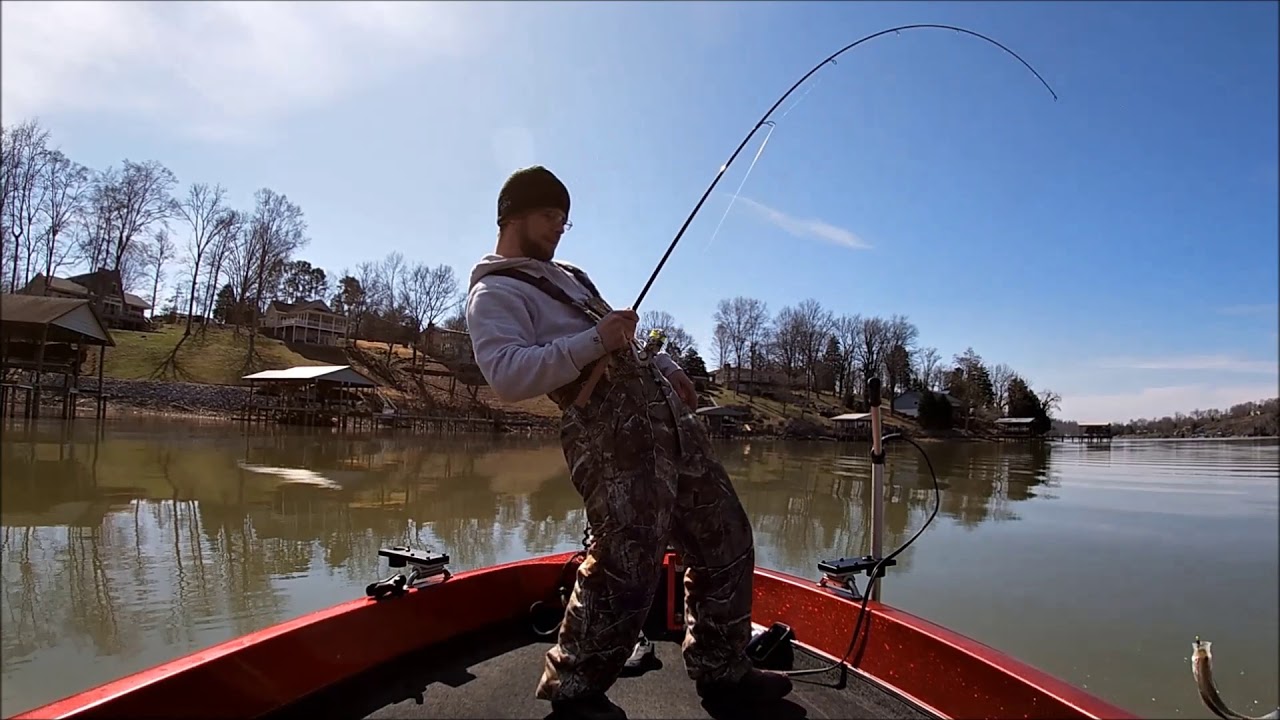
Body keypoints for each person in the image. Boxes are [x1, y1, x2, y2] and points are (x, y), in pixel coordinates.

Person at [465, 166, 793, 720]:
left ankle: (722, 670)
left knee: (727, 537)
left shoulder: (570, 276)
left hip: (667, 421)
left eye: (565, 221)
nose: (558, 229)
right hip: (610, 437)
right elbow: (506, 375)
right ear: (511, 215)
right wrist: (594, 340)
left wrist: (663, 364)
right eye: (550, 216)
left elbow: (620, 341)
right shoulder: (493, 292)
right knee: (627, 558)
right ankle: (575, 690)